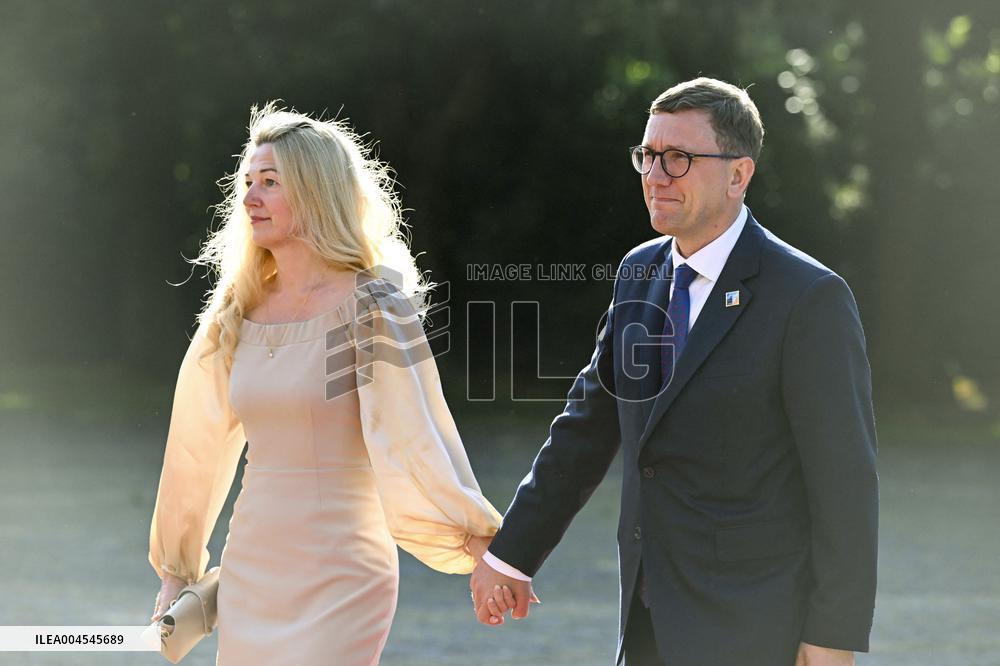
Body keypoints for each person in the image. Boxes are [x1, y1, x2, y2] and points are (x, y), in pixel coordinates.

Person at [470, 77, 878, 665]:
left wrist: (834, 636)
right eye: (648, 155)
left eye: (680, 158)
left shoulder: (809, 298)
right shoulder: (639, 272)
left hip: (758, 628)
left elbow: (846, 487)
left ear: (739, 175)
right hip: (647, 620)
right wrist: (510, 556)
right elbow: (586, 427)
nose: (655, 174)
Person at [148, 102, 501, 665]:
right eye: (247, 182)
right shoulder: (234, 315)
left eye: (270, 182)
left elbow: (416, 437)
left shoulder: (373, 307)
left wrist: (476, 540)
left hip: (345, 573)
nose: (249, 198)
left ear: (315, 192)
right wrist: (176, 570)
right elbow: (196, 447)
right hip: (253, 569)